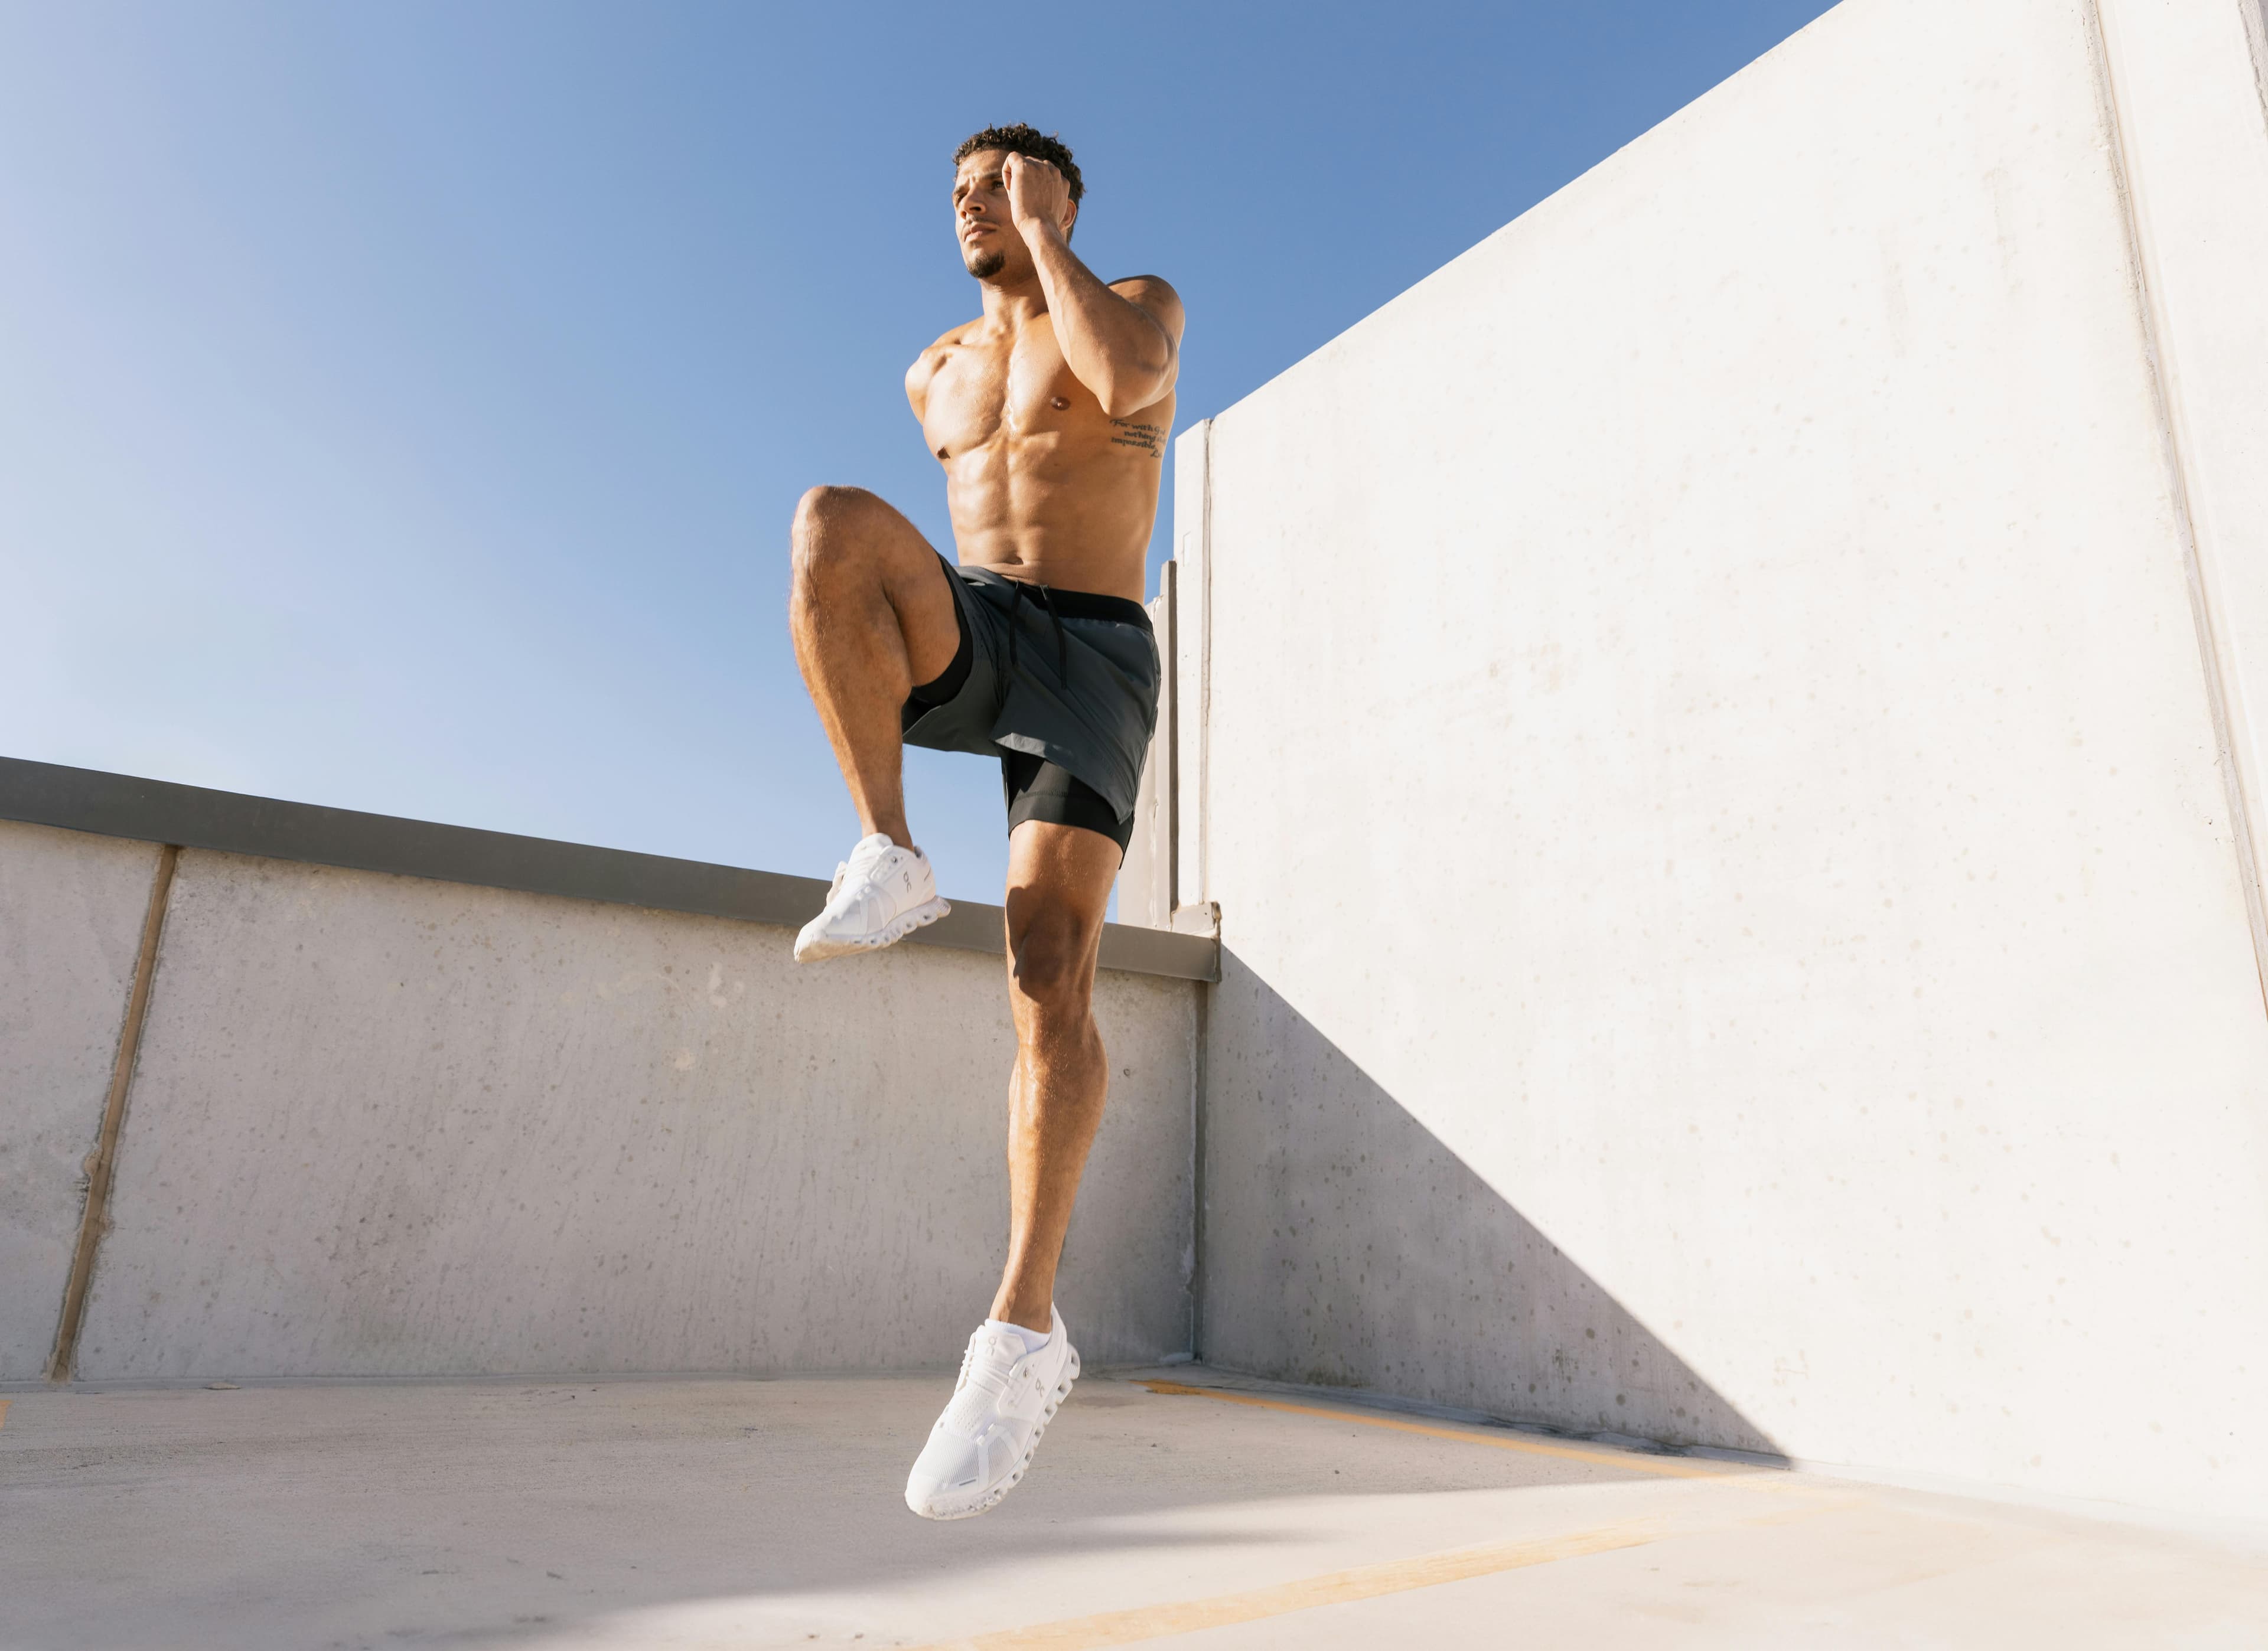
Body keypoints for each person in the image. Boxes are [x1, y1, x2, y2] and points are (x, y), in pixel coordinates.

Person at [786, 122, 1183, 1521]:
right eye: (959, 191)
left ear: (1060, 194)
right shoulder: (933, 370)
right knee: (833, 523)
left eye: (1001, 186)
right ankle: (888, 849)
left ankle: (1020, 1336)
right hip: (990, 627)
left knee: (1045, 971)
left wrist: (1046, 238)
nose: (974, 206)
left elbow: (1128, 387)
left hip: (1095, 656)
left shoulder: (1132, 304)